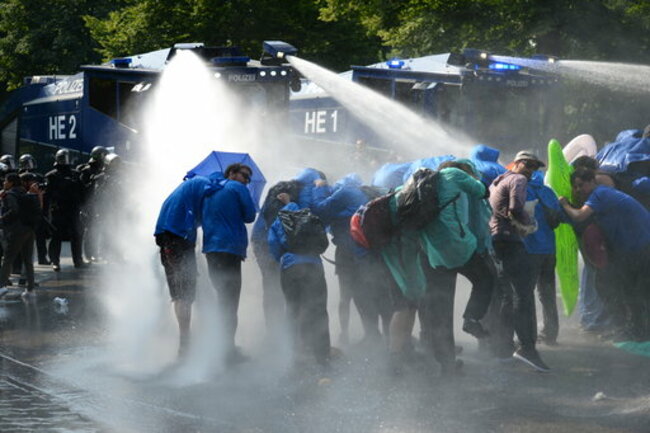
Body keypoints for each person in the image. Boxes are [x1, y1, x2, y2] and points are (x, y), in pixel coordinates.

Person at [560, 167, 650, 341]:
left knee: (633, 290)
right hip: (633, 248)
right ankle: (630, 328)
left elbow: (579, 217)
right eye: (575, 187)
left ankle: (638, 331)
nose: (578, 190)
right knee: (626, 288)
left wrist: (564, 204)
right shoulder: (603, 196)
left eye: (581, 185)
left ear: (592, 182)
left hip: (642, 247)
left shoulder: (600, 194)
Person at [312, 173, 391, 344]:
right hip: (374, 252)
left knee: (351, 294)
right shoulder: (370, 195)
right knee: (377, 293)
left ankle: (358, 335)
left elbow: (320, 209)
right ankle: (387, 336)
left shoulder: (346, 191)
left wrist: (320, 188)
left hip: (349, 253)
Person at [488, 150, 550, 372]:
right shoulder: (518, 179)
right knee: (523, 296)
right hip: (510, 241)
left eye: (536, 167)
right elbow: (515, 208)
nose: (533, 171)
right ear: (519, 163)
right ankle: (527, 349)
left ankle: (503, 348)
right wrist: (529, 224)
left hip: (497, 241)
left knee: (508, 295)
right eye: (530, 165)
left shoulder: (497, 181)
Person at [155, 174, 217, 356]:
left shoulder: (181, 194)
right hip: (177, 242)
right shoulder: (203, 185)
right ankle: (185, 342)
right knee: (185, 294)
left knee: (179, 293)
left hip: (169, 241)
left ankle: (183, 337)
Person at [268, 193, 331, 369]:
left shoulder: (279, 220)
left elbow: (273, 245)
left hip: (291, 267)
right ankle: (322, 356)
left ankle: (293, 354)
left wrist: (284, 256)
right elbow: (323, 242)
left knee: (293, 309)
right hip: (313, 265)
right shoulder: (311, 217)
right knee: (318, 309)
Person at [202, 163, 256, 363]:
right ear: (231, 173)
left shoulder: (209, 188)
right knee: (230, 302)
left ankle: (215, 346)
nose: (247, 181)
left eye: (249, 178)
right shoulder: (237, 188)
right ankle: (227, 352)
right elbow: (250, 216)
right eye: (245, 176)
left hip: (211, 249)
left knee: (220, 298)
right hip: (230, 249)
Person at [523, 171, 562, 346]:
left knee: (525, 294)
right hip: (549, 250)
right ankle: (550, 334)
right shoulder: (548, 191)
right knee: (547, 294)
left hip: (530, 249)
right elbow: (557, 220)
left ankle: (528, 336)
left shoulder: (523, 191)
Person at [44, 148, 85, 271]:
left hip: (73, 210)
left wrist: (83, 208)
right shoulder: (51, 176)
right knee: (56, 237)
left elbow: (82, 193)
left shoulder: (76, 174)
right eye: (62, 158)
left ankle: (78, 260)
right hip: (58, 210)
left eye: (65, 157)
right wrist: (45, 212)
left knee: (76, 235)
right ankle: (55, 261)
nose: (64, 160)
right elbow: (47, 196)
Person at [0, 173, 39, 298]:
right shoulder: (25, 192)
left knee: (8, 259)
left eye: (6, 181)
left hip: (17, 230)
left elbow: (14, 210)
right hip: (29, 229)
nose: (4, 183)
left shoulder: (10, 194)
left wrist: (2, 218)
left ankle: (1, 286)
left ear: (11, 182)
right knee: (28, 260)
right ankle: (30, 289)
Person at [77, 146, 109, 262]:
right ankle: (90, 254)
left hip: (103, 204)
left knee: (104, 229)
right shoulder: (86, 171)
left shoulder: (105, 170)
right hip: (90, 205)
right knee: (90, 230)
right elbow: (82, 188)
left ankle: (103, 253)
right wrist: (95, 179)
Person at [18, 154, 49, 265]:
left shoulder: (39, 176)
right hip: (26, 210)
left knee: (40, 236)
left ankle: (42, 258)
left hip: (37, 209)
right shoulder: (18, 177)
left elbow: (44, 191)